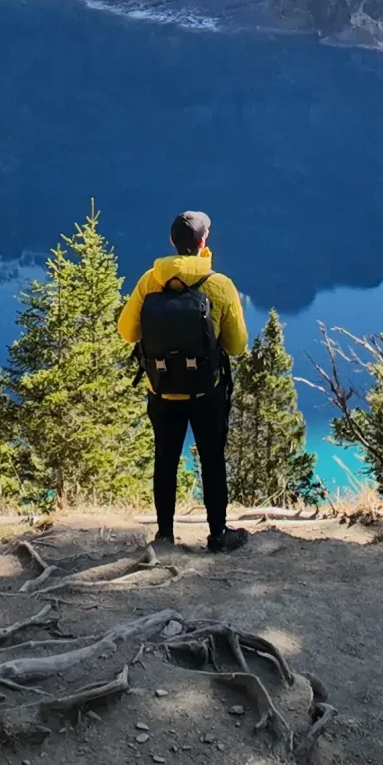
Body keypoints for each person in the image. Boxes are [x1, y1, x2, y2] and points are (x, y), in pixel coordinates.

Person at [117, 209, 249, 553]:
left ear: (172, 243)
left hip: (161, 389)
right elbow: (237, 346)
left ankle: (164, 536)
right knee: (211, 458)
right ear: (203, 242)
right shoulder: (219, 285)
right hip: (207, 391)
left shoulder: (150, 281)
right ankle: (218, 534)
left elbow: (126, 331)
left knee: (166, 458)